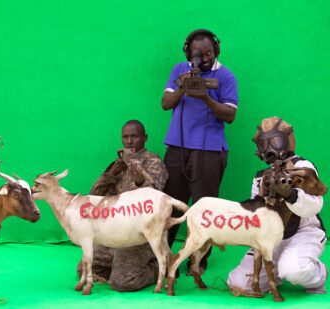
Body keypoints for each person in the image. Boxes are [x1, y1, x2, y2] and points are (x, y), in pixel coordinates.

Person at [161, 29, 238, 272]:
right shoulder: (178, 70)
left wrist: (205, 97)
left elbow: (230, 115)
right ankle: (162, 257)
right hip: (177, 148)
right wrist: (183, 87)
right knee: (172, 205)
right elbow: (165, 104)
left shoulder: (226, 76)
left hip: (209, 151)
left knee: (204, 208)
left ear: (217, 51)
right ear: (187, 52)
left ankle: (198, 261)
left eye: (209, 53)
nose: (203, 58)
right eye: (198, 54)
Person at [227, 117, 327, 296]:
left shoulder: (302, 167)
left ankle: (319, 274)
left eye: (274, 141)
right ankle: (276, 272)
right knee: (240, 283)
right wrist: (262, 198)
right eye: (263, 144)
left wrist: (291, 194)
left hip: (303, 232)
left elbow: (315, 206)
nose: (269, 149)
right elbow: (256, 217)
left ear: (287, 140)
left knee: (295, 270)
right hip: (272, 238)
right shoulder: (260, 177)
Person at [76, 120, 168, 291]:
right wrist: (112, 172)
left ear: (145, 138)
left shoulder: (153, 162)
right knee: (83, 268)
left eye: (135, 136)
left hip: (140, 236)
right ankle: (120, 264)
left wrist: (135, 167)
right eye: (125, 137)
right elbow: (94, 196)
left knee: (122, 282)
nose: (129, 141)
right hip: (115, 233)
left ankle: (158, 265)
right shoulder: (118, 164)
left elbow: (152, 198)